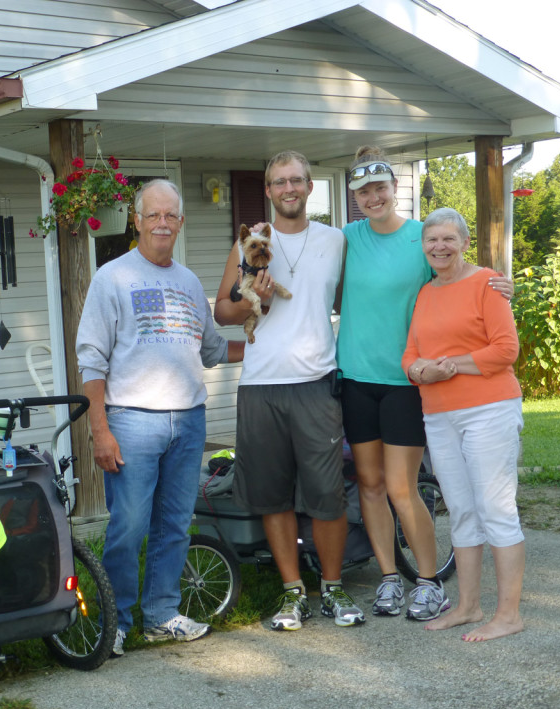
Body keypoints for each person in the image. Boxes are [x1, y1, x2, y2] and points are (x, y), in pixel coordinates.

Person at [337, 146, 513, 622]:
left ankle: (429, 582)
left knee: (400, 486)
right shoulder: (346, 238)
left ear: (396, 190)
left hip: (404, 383)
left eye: (380, 188)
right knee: (369, 484)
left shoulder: (422, 237)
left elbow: (459, 274)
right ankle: (390, 579)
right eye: (364, 191)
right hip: (354, 376)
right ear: (354, 196)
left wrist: (500, 283)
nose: (373, 197)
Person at [77, 179, 244, 658]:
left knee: (174, 523)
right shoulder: (112, 278)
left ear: (182, 222)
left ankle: (161, 615)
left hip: (188, 420)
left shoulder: (189, 283)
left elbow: (212, 350)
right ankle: (114, 622)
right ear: (137, 220)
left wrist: (267, 344)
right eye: (153, 215)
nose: (163, 223)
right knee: (128, 527)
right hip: (131, 422)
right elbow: (91, 360)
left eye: (171, 215)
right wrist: (100, 431)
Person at [214, 150, 365, 632]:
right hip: (261, 385)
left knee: (327, 495)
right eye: (279, 182)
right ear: (268, 189)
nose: (289, 189)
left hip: (317, 382)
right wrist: (248, 296)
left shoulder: (335, 240)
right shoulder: (251, 242)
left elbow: (360, 296)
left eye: (297, 180)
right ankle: (292, 591)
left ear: (310, 186)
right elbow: (222, 313)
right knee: (273, 496)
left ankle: (334, 588)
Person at [402, 207, 525, 641]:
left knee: (496, 509)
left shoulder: (486, 283)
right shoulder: (425, 293)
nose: (439, 247)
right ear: (424, 246)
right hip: (438, 414)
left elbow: (505, 350)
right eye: (431, 239)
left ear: (465, 242)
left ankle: (508, 615)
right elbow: (410, 354)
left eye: (448, 239)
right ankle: (469, 607)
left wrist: (449, 367)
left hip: (487, 409)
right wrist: (418, 372)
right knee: (461, 511)